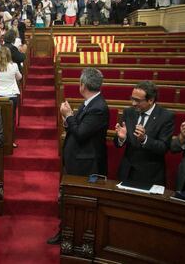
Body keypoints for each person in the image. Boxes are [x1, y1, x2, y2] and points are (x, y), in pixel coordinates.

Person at [48, 68, 109, 245]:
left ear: (82, 85)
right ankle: (66, 232)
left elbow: (81, 133)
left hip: (86, 164)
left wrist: (68, 116)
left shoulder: (98, 107)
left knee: (78, 201)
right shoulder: (89, 102)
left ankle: (75, 237)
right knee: (69, 198)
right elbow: (77, 129)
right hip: (77, 159)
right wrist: (70, 119)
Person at [114, 81, 174, 186]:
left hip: (150, 176)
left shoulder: (165, 116)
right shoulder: (128, 112)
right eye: (132, 98)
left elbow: (163, 147)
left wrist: (144, 139)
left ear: (151, 100)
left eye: (137, 100)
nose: (133, 103)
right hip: (127, 172)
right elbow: (117, 142)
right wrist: (121, 139)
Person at [0, 46, 22, 147]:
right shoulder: (14, 66)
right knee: (10, 119)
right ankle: (10, 141)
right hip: (11, 95)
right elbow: (19, 77)